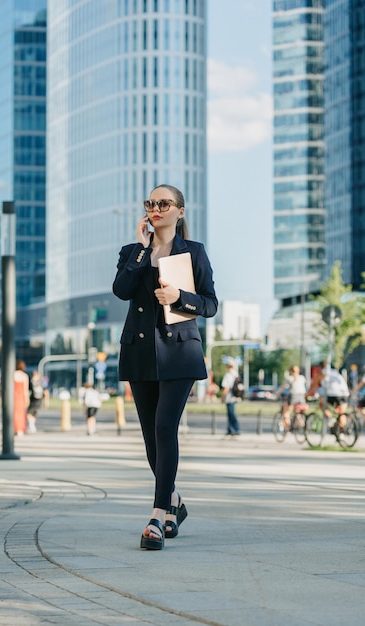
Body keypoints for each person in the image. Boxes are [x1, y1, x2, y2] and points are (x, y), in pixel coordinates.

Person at [113, 184, 218, 550]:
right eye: (151, 203)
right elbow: (122, 290)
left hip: (179, 353)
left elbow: (210, 304)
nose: (157, 208)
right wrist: (143, 248)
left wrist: (179, 298)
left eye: (164, 203)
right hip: (140, 353)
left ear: (180, 211)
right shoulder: (132, 251)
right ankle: (173, 501)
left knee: (163, 427)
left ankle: (158, 515)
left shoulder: (194, 253)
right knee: (149, 440)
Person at [307, 361, 349, 429]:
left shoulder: (323, 372)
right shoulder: (334, 372)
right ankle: (342, 432)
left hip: (334, 394)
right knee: (341, 413)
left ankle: (330, 417)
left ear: (320, 367)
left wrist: (306, 395)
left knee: (321, 403)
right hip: (345, 393)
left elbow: (313, 385)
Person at [221, 358, 241, 437]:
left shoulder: (228, 375)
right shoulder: (236, 374)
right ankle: (231, 429)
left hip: (229, 397)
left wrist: (222, 397)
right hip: (235, 396)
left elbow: (226, 388)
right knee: (231, 413)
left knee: (231, 414)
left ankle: (234, 429)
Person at [14, 360, 30, 436]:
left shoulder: (12, 375)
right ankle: (20, 429)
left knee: (13, 413)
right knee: (21, 413)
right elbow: (25, 389)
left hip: (13, 396)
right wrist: (26, 399)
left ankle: (14, 428)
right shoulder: (24, 376)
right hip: (20, 397)